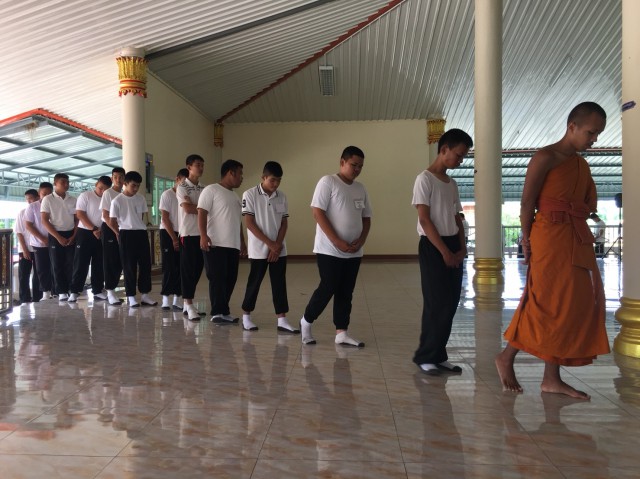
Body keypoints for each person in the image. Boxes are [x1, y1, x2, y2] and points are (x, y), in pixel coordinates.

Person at [495, 102, 611, 400]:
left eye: (598, 134)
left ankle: (551, 379)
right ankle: (506, 357)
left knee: (568, 305)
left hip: (575, 237)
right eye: (591, 132)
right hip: (548, 236)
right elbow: (527, 202)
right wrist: (526, 238)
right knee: (544, 302)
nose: (594, 139)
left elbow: (588, 202)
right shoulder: (545, 157)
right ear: (572, 126)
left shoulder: (581, 165)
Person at [412, 128, 472, 375]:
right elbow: (425, 219)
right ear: (444, 149)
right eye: (459, 155)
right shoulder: (424, 179)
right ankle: (425, 356)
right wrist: (445, 252)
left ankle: (439, 355)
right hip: (433, 245)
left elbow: (457, 217)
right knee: (436, 302)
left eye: (463, 156)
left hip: (453, 244)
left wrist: (462, 247)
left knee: (450, 302)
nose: (461, 160)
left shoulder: (452, 183)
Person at [299, 146, 372, 347]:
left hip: (354, 251)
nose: (357, 169)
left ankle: (342, 332)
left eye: (361, 166)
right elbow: (317, 213)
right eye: (354, 165)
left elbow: (366, 218)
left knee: (346, 292)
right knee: (328, 287)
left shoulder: (361, 188)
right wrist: (337, 241)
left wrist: (361, 240)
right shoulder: (328, 182)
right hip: (329, 249)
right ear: (342, 162)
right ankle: (306, 321)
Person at [240, 161, 299, 333]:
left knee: (279, 283)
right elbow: (249, 223)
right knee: (254, 282)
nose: (276, 184)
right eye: (272, 180)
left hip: (279, 249)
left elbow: (284, 223)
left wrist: (277, 246)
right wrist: (271, 244)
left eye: (279, 180)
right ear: (263, 177)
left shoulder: (282, 196)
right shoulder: (249, 194)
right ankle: (246, 317)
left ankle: (282, 320)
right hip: (259, 249)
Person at [197, 159, 246, 324]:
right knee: (217, 278)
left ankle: (224, 311)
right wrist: (203, 235)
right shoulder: (211, 190)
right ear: (231, 173)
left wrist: (242, 241)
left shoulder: (235, 196)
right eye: (240, 174)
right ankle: (217, 313)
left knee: (230, 278)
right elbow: (201, 212)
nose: (242, 177)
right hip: (215, 243)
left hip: (232, 244)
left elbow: (238, 221)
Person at [109, 171, 157, 308]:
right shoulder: (117, 200)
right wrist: (118, 233)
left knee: (145, 265)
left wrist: (137, 226)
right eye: (133, 185)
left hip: (141, 233)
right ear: (125, 184)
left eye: (138, 186)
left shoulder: (140, 198)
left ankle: (145, 295)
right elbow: (112, 221)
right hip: (126, 234)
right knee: (129, 266)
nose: (136, 189)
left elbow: (140, 217)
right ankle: (131, 296)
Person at [69, 176, 112, 302]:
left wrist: (101, 230)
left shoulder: (108, 199)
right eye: (100, 188)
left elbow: (109, 216)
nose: (102, 191)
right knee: (81, 263)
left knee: (99, 263)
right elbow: (80, 214)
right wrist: (93, 229)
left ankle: (97, 290)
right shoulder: (85, 196)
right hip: (85, 232)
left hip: (101, 233)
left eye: (105, 190)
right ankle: (75, 291)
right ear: (96, 184)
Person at [176, 155, 206, 321]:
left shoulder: (204, 188)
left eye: (202, 165)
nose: (201, 168)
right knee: (187, 270)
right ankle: (188, 303)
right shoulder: (182, 187)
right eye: (197, 165)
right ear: (189, 167)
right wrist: (202, 209)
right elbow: (188, 209)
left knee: (197, 269)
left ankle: (187, 303)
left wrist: (198, 208)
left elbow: (208, 209)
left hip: (202, 234)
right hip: (187, 234)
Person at [40, 173, 77, 302]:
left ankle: (70, 289)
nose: (66, 185)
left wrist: (74, 235)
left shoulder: (73, 199)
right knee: (57, 263)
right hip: (55, 233)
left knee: (71, 263)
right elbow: (44, 220)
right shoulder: (48, 199)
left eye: (67, 182)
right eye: (62, 182)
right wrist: (58, 237)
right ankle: (61, 291)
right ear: (55, 183)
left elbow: (77, 220)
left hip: (71, 233)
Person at [159, 168, 188, 311]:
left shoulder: (186, 195)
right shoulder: (167, 194)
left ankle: (177, 299)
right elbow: (165, 218)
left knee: (181, 267)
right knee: (169, 267)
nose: (185, 186)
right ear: (177, 180)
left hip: (182, 232)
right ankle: (165, 298)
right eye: (183, 182)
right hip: (168, 232)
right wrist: (174, 239)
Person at [100, 167, 126, 305]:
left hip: (121, 229)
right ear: (112, 178)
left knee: (120, 261)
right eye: (115, 177)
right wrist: (116, 232)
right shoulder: (108, 193)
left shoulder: (124, 194)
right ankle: (109, 291)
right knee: (110, 260)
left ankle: (113, 288)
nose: (118, 179)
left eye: (121, 177)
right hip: (110, 229)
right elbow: (105, 215)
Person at [25, 182, 54, 300]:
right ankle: (46, 292)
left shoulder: (55, 204)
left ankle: (57, 290)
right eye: (44, 194)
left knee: (56, 266)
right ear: (39, 193)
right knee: (42, 268)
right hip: (39, 243)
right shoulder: (32, 207)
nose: (46, 196)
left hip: (55, 241)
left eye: (49, 194)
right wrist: (43, 239)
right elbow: (28, 225)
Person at [15, 189, 41, 303]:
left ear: (38, 198)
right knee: (24, 275)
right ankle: (24, 299)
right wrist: (25, 250)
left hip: (38, 248)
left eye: (31, 198)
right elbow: (19, 233)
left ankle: (37, 297)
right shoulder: (22, 213)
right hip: (25, 249)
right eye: (27, 199)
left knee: (38, 274)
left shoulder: (42, 212)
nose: (29, 201)